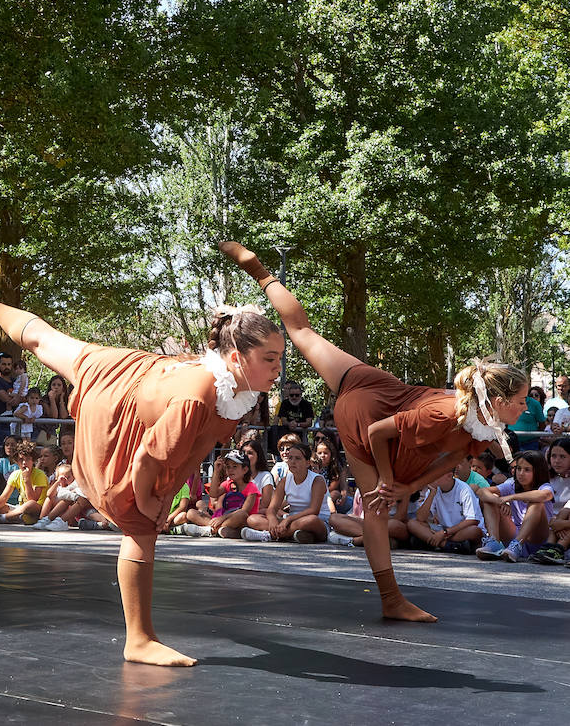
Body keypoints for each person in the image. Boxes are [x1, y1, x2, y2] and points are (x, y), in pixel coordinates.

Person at [0, 279, 281, 666]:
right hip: (116, 404)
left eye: (280, 357)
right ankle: (140, 640)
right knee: (139, 523)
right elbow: (147, 460)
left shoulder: (234, 390)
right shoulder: (195, 398)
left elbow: (196, 449)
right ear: (235, 359)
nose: (278, 368)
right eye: (269, 358)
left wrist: (167, 497)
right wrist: (150, 501)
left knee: (45, 340)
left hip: (130, 369)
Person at [221, 239, 527, 622]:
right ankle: (391, 599)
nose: (525, 408)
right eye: (520, 400)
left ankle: (260, 272)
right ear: (497, 399)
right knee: (378, 511)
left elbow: (453, 458)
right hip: (366, 415)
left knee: (303, 332)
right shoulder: (444, 413)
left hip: (374, 384)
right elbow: (379, 431)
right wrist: (385, 480)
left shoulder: (481, 419)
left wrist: (405, 487)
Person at [475, 449, 554, 561]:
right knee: (489, 499)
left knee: (536, 502)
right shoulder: (511, 484)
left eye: (527, 470)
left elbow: (545, 495)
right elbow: (481, 492)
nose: (521, 473)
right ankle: (493, 543)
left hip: (537, 537)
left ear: (538, 471)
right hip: (513, 535)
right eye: (519, 469)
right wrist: (499, 501)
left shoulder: (544, 486)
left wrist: (511, 497)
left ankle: (517, 544)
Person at [243, 442, 328, 543]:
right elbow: (272, 508)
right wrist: (272, 520)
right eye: (290, 458)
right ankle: (295, 535)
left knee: (311, 520)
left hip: (315, 520)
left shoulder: (317, 480)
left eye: (297, 458)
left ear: (307, 463)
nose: (292, 462)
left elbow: (314, 510)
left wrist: (288, 519)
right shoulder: (284, 480)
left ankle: (270, 535)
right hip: (292, 521)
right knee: (252, 519)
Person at [408, 470, 483, 552]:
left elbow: (473, 520)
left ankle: (433, 542)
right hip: (443, 529)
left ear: (449, 475)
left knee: (474, 531)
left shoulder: (464, 489)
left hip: (459, 531)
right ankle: (447, 545)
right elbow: (420, 518)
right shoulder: (434, 489)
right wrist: (432, 493)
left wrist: (444, 533)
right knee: (412, 523)